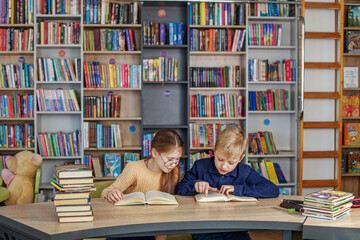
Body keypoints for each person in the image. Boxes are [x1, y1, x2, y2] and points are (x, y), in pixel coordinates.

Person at [176, 126, 279, 240]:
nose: (224, 166)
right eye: (220, 159)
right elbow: (179, 188)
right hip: (204, 227)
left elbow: (272, 189)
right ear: (214, 150)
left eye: (231, 162)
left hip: (235, 227)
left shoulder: (245, 171)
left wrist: (238, 190)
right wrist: (195, 185)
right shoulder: (200, 166)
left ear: (240, 158)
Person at [101, 128, 184, 240]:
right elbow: (105, 192)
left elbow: (168, 215)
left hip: (152, 230)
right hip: (128, 227)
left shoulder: (174, 172)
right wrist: (111, 193)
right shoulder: (134, 168)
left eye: (177, 160)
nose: (173, 164)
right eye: (170, 159)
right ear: (154, 153)